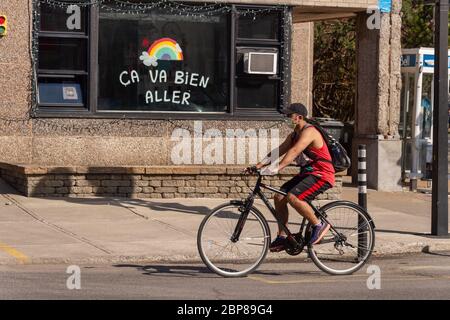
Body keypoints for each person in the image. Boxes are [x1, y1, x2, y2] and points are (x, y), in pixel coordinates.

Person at [246, 103, 335, 252]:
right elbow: (279, 150)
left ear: (298, 117)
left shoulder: (310, 132)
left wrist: (277, 167)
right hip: (308, 173)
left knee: (294, 197)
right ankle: (282, 237)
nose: (286, 118)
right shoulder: (294, 134)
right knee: (279, 197)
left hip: (322, 174)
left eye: (289, 115)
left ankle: (319, 225)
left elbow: (294, 151)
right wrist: (258, 166)